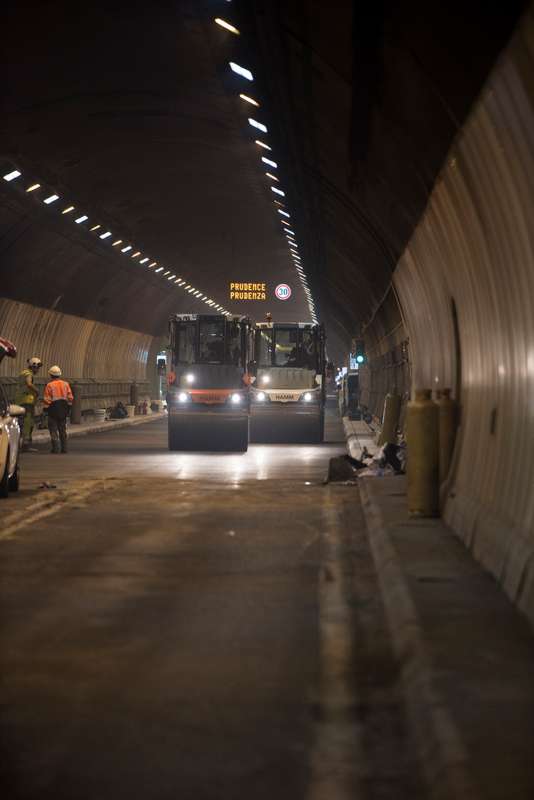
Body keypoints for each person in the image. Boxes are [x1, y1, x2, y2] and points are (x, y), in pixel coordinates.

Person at [43, 366, 73, 454]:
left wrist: (45, 409)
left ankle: (55, 448)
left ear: (50, 375)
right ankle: (64, 448)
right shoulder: (66, 384)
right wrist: (68, 408)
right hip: (63, 409)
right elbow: (70, 397)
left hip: (53, 409)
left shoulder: (49, 385)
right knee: (62, 429)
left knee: (53, 429)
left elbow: (47, 399)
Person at [15, 356, 42, 450]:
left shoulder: (22, 372)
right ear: (33, 366)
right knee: (28, 422)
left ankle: (21, 443)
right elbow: (29, 383)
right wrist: (37, 391)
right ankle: (25, 445)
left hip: (20, 401)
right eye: (38, 368)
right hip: (27, 401)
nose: (38, 370)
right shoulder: (28, 374)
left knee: (21, 422)